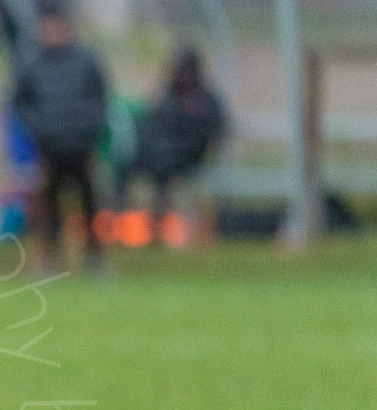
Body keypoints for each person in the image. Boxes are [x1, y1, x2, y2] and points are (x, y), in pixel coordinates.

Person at [12, 0, 109, 275]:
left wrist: (87, 131)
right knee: (49, 207)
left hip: (81, 146)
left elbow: (99, 99)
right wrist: (40, 130)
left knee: (89, 203)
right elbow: (21, 104)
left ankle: (95, 259)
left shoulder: (85, 61)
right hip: (49, 148)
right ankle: (49, 260)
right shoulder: (31, 63)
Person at [129, 47, 226, 242]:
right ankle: (131, 226)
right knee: (130, 165)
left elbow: (213, 130)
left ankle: (160, 227)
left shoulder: (205, 99)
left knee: (163, 166)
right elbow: (151, 124)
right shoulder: (167, 95)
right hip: (160, 156)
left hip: (190, 157)